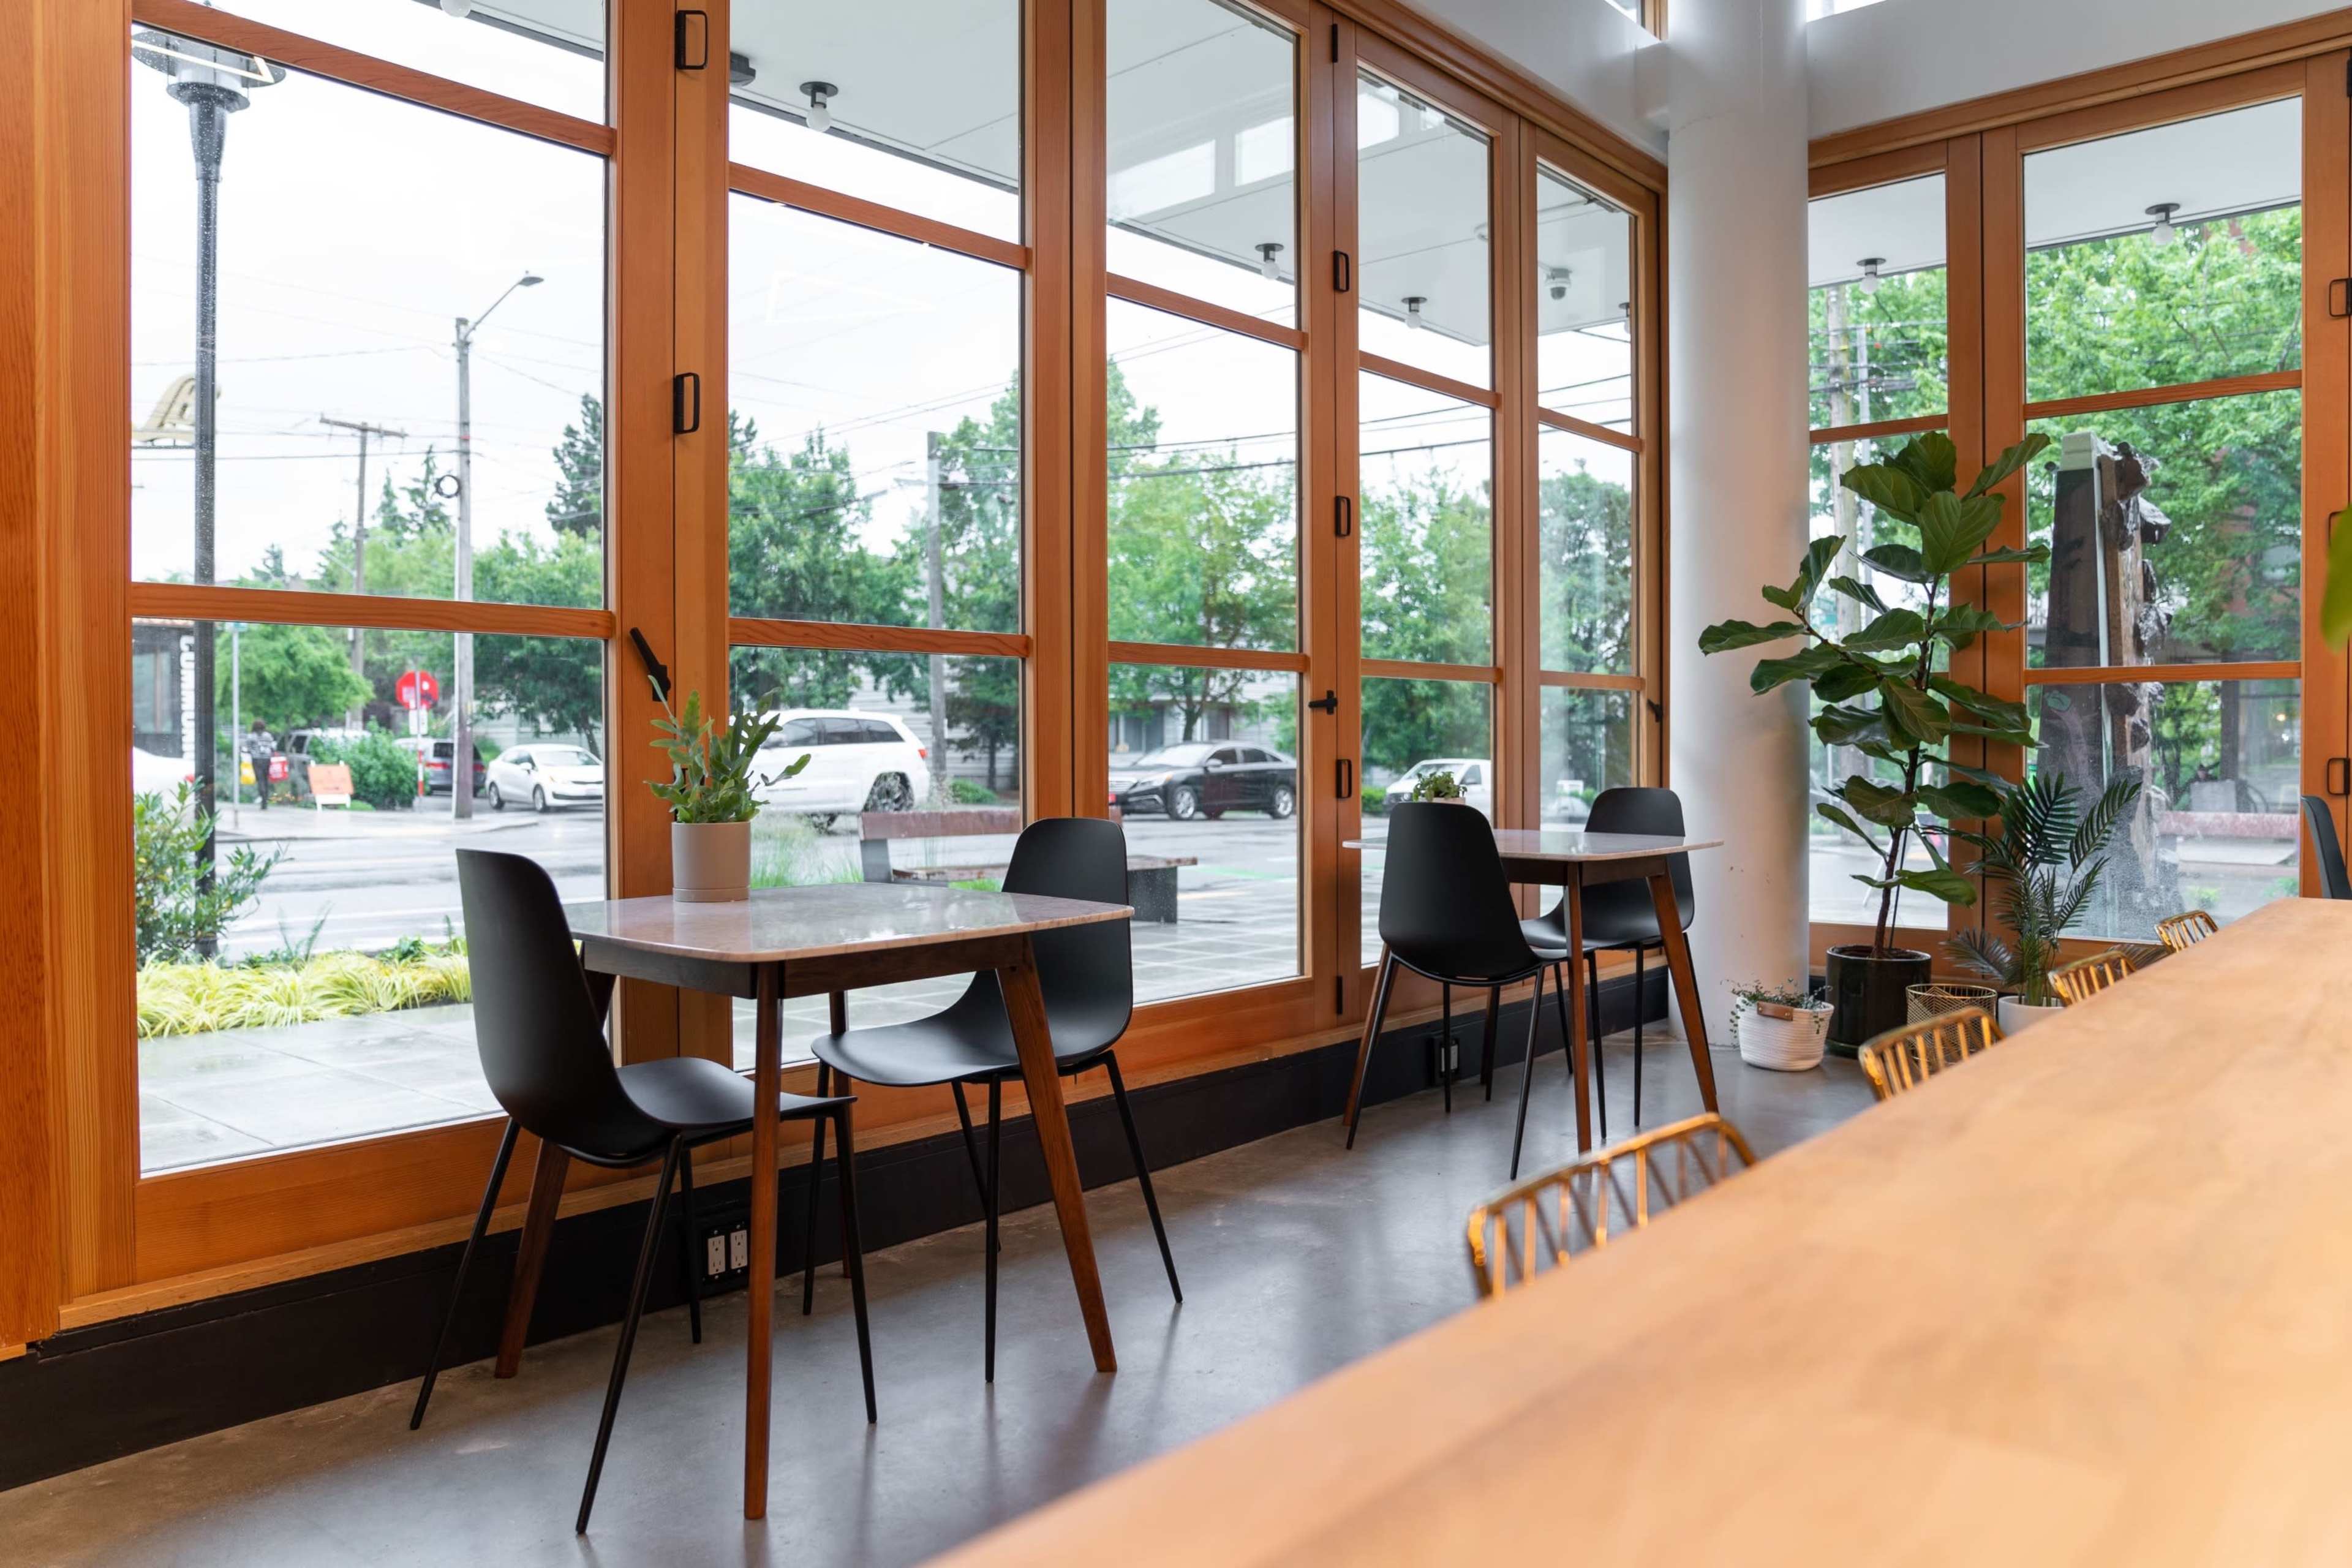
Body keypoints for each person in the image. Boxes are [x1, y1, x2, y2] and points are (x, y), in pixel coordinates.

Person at [244, 720, 276, 811]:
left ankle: (262, 796)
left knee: (260, 779)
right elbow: (273, 747)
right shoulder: (268, 736)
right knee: (265, 779)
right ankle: (265, 799)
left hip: (256, 760)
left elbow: (248, 748)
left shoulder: (251, 736)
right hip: (267, 759)